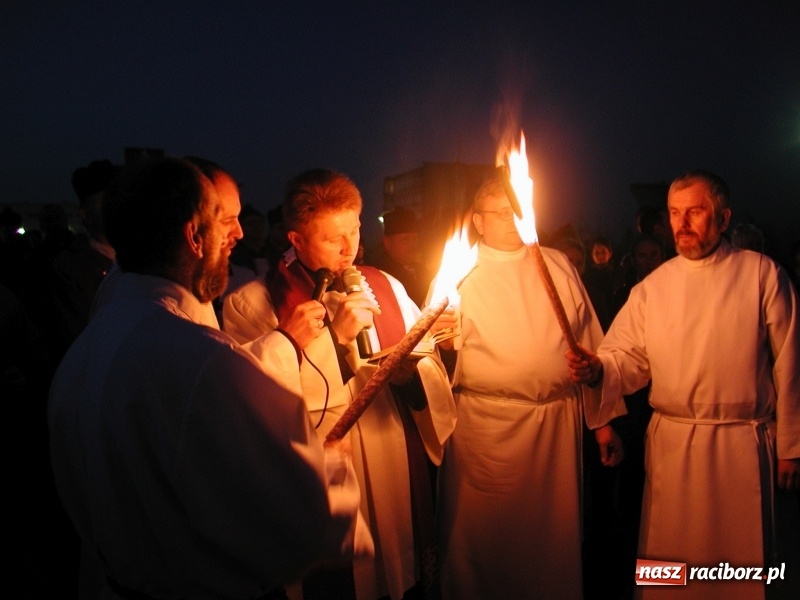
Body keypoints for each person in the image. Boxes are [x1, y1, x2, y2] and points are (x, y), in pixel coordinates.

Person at [48, 157, 366, 600]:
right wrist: (327, 463)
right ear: (194, 237)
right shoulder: (199, 359)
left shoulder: (86, 348)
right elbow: (295, 532)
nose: (237, 235)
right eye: (225, 222)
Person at [224, 168, 456, 600]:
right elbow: (254, 404)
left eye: (355, 229)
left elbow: (430, 370)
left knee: (399, 579)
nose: (350, 247)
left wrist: (410, 375)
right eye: (333, 238)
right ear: (295, 240)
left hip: (391, 458)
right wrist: (336, 340)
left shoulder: (386, 284)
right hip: (327, 470)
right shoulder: (251, 303)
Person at [567, 170, 800, 599]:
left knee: (742, 570)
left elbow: (790, 364)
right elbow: (628, 358)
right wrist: (600, 370)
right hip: (675, 448)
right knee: (670, 570)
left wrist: (790, 447)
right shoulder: (653, 288)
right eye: (675, 212)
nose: (682, 222)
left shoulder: (763, 275)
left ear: (723, 217)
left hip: (742, 449)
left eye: (695, 211)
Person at [435, 174, 625, 600]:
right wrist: (444, 348)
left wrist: (603, 424)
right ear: (479, 222)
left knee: (548, 547)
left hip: (553, 430)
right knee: (484, 544)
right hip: (485, 432)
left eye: (516, 210)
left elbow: (591, 347)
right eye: (501, 212)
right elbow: (434, 360)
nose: (512, 219)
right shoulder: (457, 272)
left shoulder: (555, 263)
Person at [371, 207, 433, 307]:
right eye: (405, 239)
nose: (413, 245)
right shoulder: (379, 275)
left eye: (415, 238)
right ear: (387, 243)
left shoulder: (421, 270)